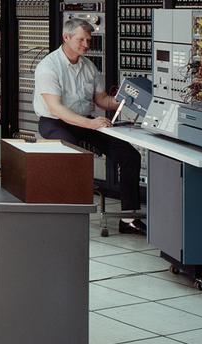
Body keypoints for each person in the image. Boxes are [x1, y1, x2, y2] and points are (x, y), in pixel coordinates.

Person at [34, 17, 144, 234]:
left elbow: (100, 99)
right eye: (81, 40)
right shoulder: (48, 67)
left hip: (85, 121)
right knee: (73, 155)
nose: (86, 44)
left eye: (88, 40)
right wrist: (91, 124)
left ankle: (128, 219)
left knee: (130, 155)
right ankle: (68, 217)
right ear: (66, 38)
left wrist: (125, 99)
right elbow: (56, 109)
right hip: (54, 122)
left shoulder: (89, 67)